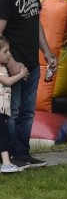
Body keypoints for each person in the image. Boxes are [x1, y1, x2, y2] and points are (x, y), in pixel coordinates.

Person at [0, 0, 56, 169]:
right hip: (14, 64)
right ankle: (11, 155)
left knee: (27, 112)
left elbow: (36, 23)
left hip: (32, 62)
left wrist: (47, 52)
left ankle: (24, 153)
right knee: (12, 113)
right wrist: (11, 63)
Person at [0, 37, 28, 173]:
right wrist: (21, 74)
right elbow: (7, 82)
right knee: (3, 134)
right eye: (5, 51)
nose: (9, 54)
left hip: (2, 110)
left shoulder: (3, 67)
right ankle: (6, 163)